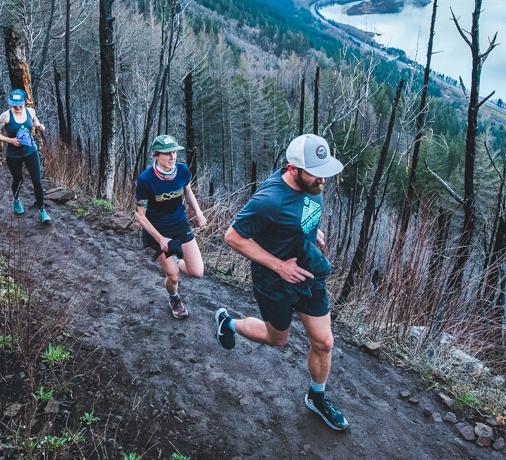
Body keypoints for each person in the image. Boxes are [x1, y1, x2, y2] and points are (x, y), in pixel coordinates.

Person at [213, 133, 349, 431]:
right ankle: (229, 324)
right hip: (274, 280)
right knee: (279, 339)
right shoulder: (268, 201)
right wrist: (278, 265)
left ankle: (317, 397)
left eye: (324, 172)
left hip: (308, 270)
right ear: (292, 169)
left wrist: (312, 233)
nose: (322, 181)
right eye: (316, 173)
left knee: (324, 341)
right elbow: (233, 237)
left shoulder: (313, 182)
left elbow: (303, 214)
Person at [134, 134, 206, 319]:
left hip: (180, 224)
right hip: (158, 229)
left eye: (174, 152)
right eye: (167, 153)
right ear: (156, 156)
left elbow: (187, 191)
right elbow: (140, 216)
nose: (172, 157)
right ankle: (174, 298)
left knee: (197, 272)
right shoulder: (145, 180)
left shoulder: (182, 170)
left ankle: (175, 260)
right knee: (173, 276)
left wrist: (198, 212)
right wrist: (161, 239)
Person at [0, 89, 51, 224]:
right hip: (14, 154)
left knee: (37, 181)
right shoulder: (5, 116)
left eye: (19, 104)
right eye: (14, 104)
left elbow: (34, 121)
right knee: (18, 180)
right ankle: (16, 201)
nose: (17, 107)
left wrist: (40, 126)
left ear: (24, 102)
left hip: (31, 151)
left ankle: (42, 210)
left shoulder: (30, 111)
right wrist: (10, 140)